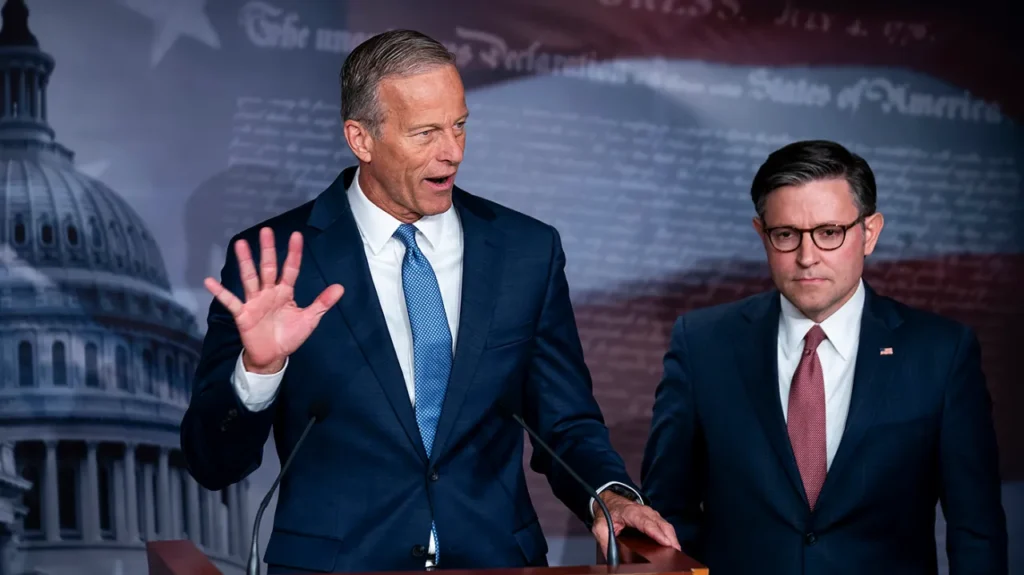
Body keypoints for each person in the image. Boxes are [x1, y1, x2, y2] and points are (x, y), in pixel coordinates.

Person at [180, 29, 678, 574]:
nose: (454, 152)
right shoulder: (272, 261)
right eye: (426, 133)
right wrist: (259, 370)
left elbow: (566, 423)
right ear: (361, 138)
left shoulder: (525, 252)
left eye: (460, 125)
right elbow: (212, 462)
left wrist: (610, 493)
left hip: (496, 561)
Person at [640, 140, 1008, 575]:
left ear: (869, 233)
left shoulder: (941, 353)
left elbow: (976, 531)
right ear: (762, 234)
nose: (807, 256)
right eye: (786, 235)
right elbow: (666, 516)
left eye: (829, 233)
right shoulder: (702, 344)